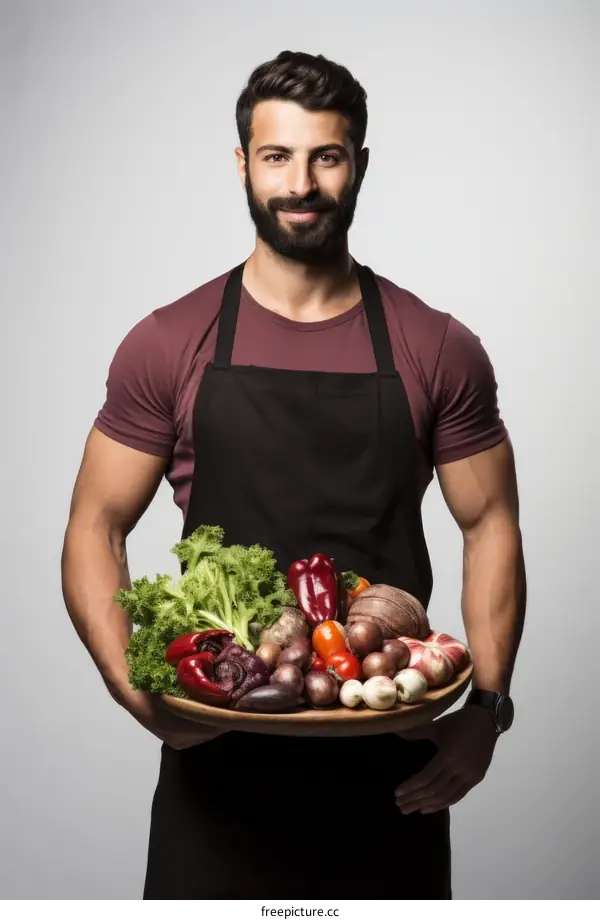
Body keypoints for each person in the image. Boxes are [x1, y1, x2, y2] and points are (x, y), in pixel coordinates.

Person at [61, 50, 526, 899]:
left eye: (327, 156)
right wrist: (135, 690)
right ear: (243, 164)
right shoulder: (170, 342)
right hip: (216, 760)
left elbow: (491, 523)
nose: (301, 183)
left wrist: (487, 712)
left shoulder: (437, 346)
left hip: (393, 755)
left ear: (360, 167)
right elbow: (94, 523)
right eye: (277, 156)